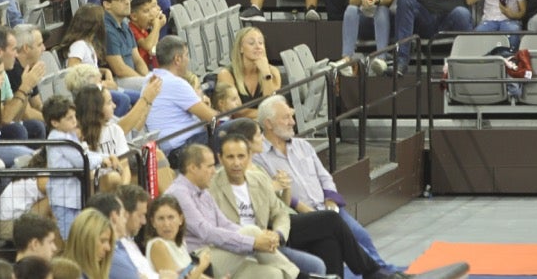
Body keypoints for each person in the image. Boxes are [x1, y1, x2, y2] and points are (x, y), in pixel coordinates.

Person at [254, 96, 395, 272]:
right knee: (333, 237)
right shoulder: (258, 157)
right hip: (300, 214)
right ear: (268, 124)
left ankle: (383, 270)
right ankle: (377, 274)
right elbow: (276, 197)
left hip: (327, 207)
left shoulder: (303, 145)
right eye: (286, 117)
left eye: (292, 116)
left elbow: (325, 176)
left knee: (361, 236)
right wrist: (304, 208)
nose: (292, 122)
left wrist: (331, 200)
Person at [165, 144, 299, 279]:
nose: (214, 171)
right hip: (197, 261)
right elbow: (206, 232)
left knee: (273, 274)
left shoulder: (203, 191)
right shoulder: (178, 194)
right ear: (193, 168)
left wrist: (261, 237)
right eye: (210, 166)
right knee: (252, 231)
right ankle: (299, 276)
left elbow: (225, 224)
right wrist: (252, 241)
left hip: (219, 253)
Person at [44, 96, 112, 239]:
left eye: (74, 116)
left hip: (74, 197)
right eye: (69, 118)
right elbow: (81, 160)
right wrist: (103, 159)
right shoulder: (58, 138)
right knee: (71, 239)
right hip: (64, 200)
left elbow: (85, 153)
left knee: (80, 237)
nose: (75, 121)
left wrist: (105, 157)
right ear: (55, 122)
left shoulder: (69, 136)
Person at [146, 36, 216, 155]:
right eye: (187, 55)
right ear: (178, 59)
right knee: (235, 129)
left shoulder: (150, 78)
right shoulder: (176, 83)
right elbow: (213, 118)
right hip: (182, 147)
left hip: (174, 145)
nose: (188, 60)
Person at [60, 4, 133, 115]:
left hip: (98, 87)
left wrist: (106, 72)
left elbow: (89, 69)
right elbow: (74, 75)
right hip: (89, 94)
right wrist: (102, 84)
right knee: (124, 100)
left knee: (137, 96)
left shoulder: (89, 44)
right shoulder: (79, 46)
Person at [214, 27, 282, 118]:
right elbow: (236, 112)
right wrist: (266, 114)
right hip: (238, 126)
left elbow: (271, 104)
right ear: (241, 48)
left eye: (261, 43)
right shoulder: (226, 74)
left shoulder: (273, 72)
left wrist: (266, 73)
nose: (258, 47)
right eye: (251, 43)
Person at [75, 88, 132, 192]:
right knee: (113, 177)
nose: (114, 106)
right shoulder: (77, 135)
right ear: (96, 108)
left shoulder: (115, 129)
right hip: (89, 187)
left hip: (117, 187)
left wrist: (124, 195)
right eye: (109, 102)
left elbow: (125, 168)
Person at [144, 195, 212, 279]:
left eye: (171, 217)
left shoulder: (181, 244)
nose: (166, 224)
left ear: (180, 219)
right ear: (153, 222)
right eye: (161, 218)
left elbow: (193, 275)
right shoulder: (157, 245)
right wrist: (201, 267)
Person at [99, 0, 149, 91]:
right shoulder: (106, 29)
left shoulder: (125, 26)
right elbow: (120, 69)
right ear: (107, 4)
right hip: (116, 81)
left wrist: (147, 78)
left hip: (131, 77)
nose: (127, 2)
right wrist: (145, 82)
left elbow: (138, 60)